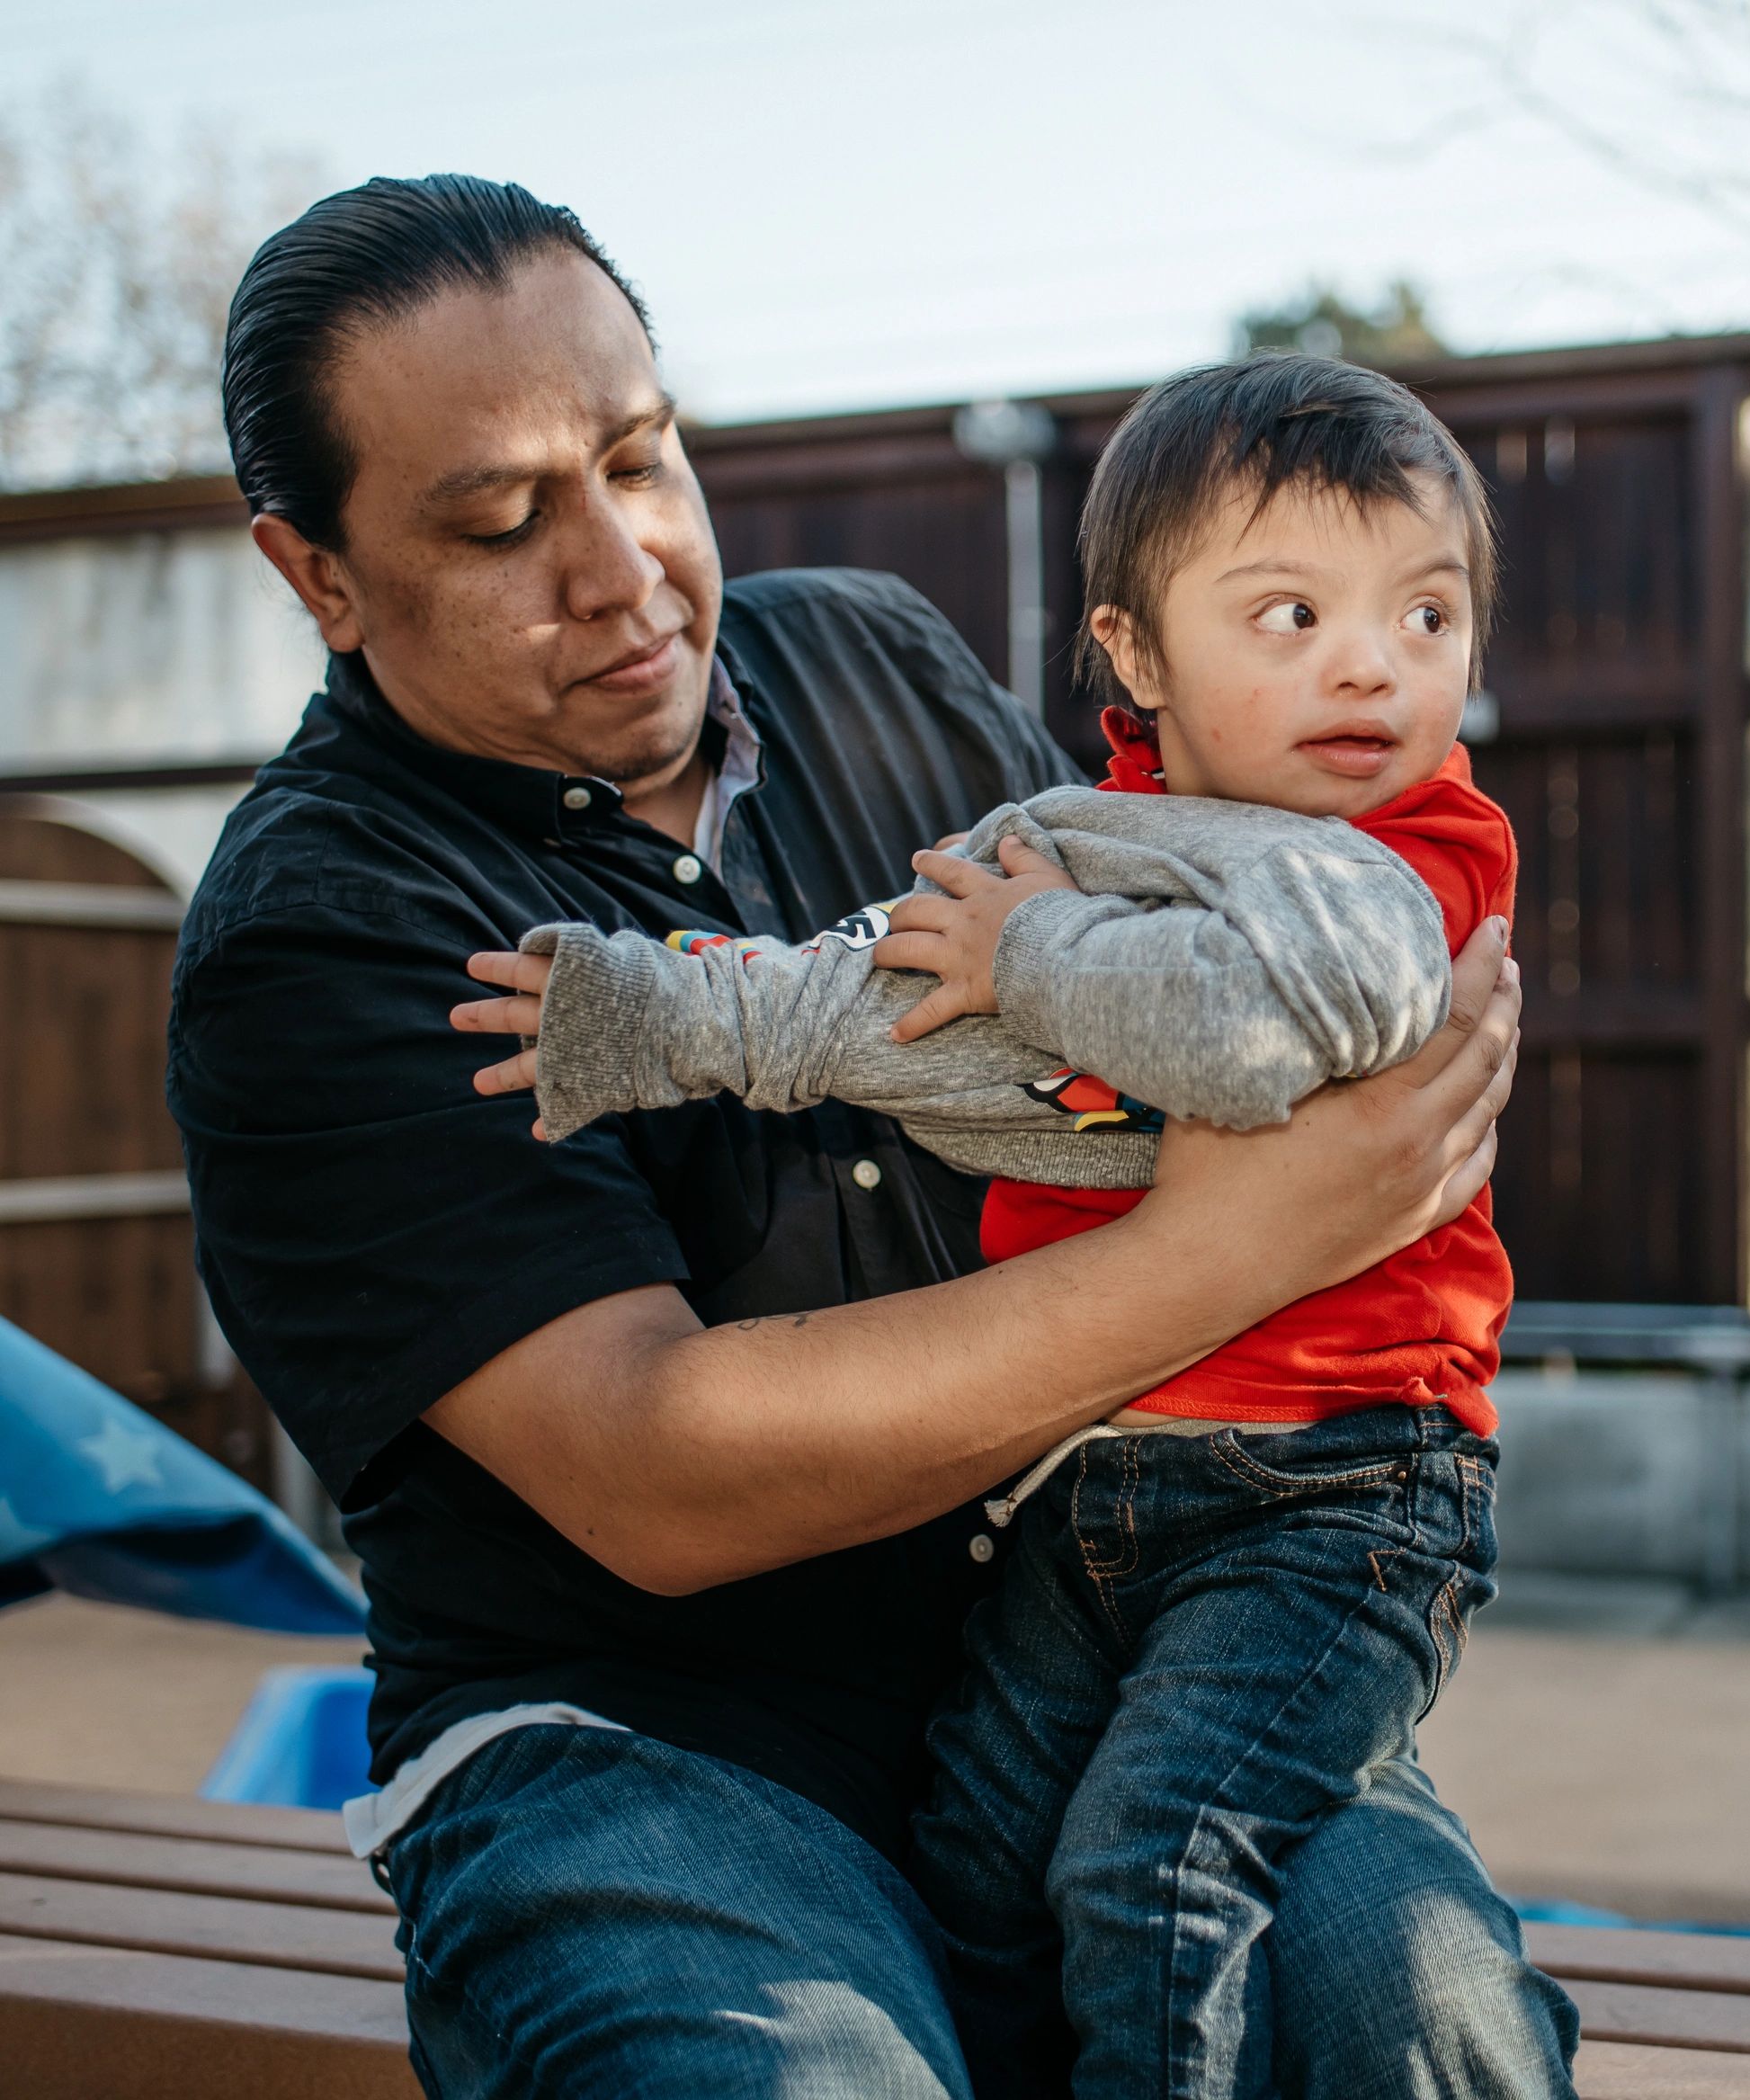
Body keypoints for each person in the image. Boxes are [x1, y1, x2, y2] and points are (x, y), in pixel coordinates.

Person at [169, 173, 1544, 2099]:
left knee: (1422, 2024)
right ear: (316, 574)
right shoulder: (323, 928)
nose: (619, 566)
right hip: (647, 1747)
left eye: (641, 460)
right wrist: (1246, 1244)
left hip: (1089, 1622)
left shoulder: (872, 663)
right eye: (499, 522)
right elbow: (652, 1475)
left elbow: (1144, 1026)